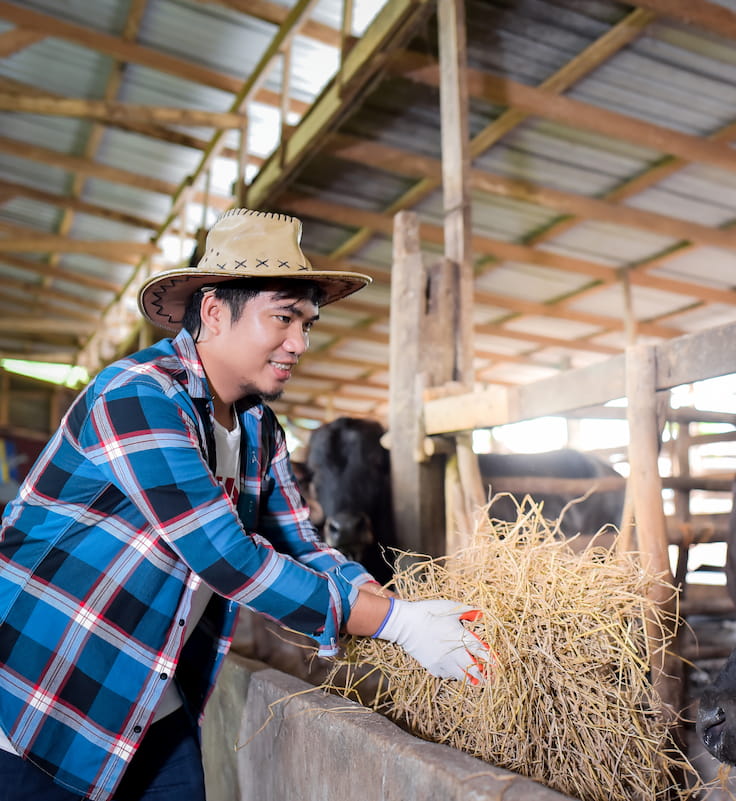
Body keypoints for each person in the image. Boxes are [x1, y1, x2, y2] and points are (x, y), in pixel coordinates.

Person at [0, 208, 490, 801]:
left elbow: (300, 545)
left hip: (150, 701)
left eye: (308, 323)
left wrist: (400, 608)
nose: (300, 343)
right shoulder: (138, 395)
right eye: (283, 318)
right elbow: (225, 557)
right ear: (212, 311)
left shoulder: (260, 428)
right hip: (42, 700)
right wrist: (396, 626)